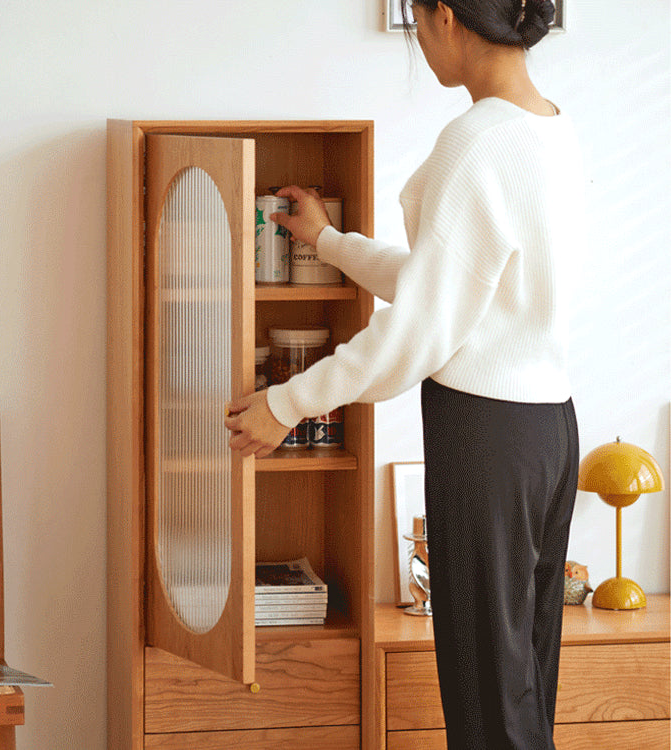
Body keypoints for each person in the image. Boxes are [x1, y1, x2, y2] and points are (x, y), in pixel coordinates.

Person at [225, 1, 583, 747]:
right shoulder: (550, 125)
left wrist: (287, 402)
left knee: (487, 694)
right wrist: (331, 241)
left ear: (445, 17)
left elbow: (420, 328)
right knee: (520, 683)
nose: (420, 43)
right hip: (548, 429)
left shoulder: (475, 140)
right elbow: (455, 290)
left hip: (486, 435)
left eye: (418, 24)